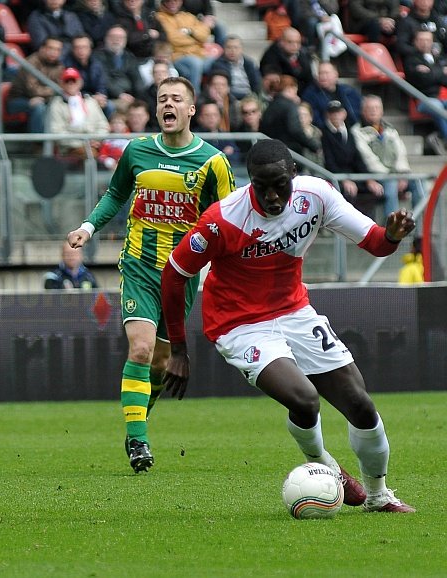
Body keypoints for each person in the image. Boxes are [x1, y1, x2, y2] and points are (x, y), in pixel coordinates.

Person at [160, 138, 416, 514]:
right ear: (249, 181)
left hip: (295, 312)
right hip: (239, 324)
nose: (271, 195)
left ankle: (379, 495)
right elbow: (174, 274)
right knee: (305, 398)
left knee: (361, 406)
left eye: (279, 184)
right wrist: (178, 350)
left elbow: (375, 242)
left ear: (294, 174)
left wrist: (392, 235)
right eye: (261, 186)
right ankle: (325, 464)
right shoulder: (223, 219)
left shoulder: (317, 196)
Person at [66, 77, 235, 473]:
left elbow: (229, 219)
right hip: (139, 266)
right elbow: (115, 194)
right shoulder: (137, 151)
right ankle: (139, 440)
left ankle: (137, 419)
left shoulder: (213, 162)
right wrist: (87, 228)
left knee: (160, 363)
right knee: (140, 350)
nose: (168, 105)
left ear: (192, 110)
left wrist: (226, 270)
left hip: (182, 275)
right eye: (162, 99)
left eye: (177, 99)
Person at [353, 94, 425, 217]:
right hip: (375, 175)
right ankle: (392, 232)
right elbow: (369, 159)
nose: (373, 111)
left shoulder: (391, 130)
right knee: (391, 185)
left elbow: (401, 153)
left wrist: (402, 174)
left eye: (376, 108)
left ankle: (419, 231)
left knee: (419, 182)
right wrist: (392, 176)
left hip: (396, 174)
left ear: (382, 111)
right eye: (370, 108)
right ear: (363, 111)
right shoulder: (357, 132)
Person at [321, 99, 385, 218]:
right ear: (327, 115)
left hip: (353, 175)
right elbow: (329, 162)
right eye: (332, 113)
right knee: (347, 192)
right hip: (336, 176)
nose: (335, 116)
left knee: (374, 190)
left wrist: (369, 179)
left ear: (344, 114)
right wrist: (344, 179)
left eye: (338, 112)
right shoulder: (324, 134)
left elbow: (357, 158)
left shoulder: (349, 132)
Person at [46, 67, 110, 159]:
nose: (71, 84)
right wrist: (83, 143)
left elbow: (103, 125)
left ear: (80, 82)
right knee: (89, 154)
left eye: (73, 81)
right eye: (67, 81)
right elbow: (57, 131)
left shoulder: (90, 101)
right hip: (69, 149)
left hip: (94, 145)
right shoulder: (56, 104)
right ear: (62, 84)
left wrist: (96, 139)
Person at [402, 29, 447, 157]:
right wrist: (440, 72)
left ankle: (438, 137)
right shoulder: (411, 59)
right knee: (437, 107)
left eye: (428, 40)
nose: (425, 43)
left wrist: (431, 72)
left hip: (441, 97)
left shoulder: (439, 58)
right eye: (421, 40)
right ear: (415, 42)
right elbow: (422, 80)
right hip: (423, 99)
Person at [7, 36, 65, 134]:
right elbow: (33, 90)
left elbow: (63, 88)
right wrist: (54, 91)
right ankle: (38, 144)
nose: (54, 52)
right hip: (19, 100)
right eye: (51, 48)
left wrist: (56, 92)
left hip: (44, 99)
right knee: (39, 106)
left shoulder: (59, 66)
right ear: (42, 49)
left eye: (57, 50)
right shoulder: (31, 62)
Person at [154, 0, 212, 94]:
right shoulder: (160, 17)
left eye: (176, 1)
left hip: (198, 54)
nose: (172, 3)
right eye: (169, 1)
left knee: (216, 61)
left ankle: (211, 95)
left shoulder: (188, 16)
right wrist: (195, 39)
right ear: (163, 2)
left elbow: (205, 34)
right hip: (178, 56)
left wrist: (189, 31)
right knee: (195, 63)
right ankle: (194, 96)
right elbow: (172, 38)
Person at [259, 75, 321, 158]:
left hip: (271, 152)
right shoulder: (290, 106)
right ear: (290, 88)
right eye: (296, 91)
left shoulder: (270, 106)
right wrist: (313, 146)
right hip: (289, 152)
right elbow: (295, 130)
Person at [92, 25, 144, 115]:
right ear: (106, 38)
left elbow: (137, 80)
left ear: (125, 40)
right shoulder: (97, 57)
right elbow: (103, 79)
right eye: (113, 37)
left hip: (129, 96)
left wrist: (138, 99)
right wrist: (119, 94)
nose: (116, 40)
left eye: (120, 37)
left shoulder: (129, 57)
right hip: (109, 97)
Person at [300, 61, 362, 130]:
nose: (323, 76)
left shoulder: (348, 91)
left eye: (326, 73)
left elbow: (358, 112)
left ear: (336, 74)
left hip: (352, 130)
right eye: (320, 73)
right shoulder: (310, 94)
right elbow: (315, 119)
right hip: (326, 133)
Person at [259, 27, 316, 93]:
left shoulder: (304, 55)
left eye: (298, 42)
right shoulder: (270, 56)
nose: (295, 46)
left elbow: (309, 79)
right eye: (290, 42)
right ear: (281, 41)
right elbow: (272, 84)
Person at [209, 35, 262, 101]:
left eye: (236, 48)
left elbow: (257, 83)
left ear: (241, 49)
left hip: (250, 97)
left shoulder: (249, 63)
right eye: (229, 47)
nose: (232, 50)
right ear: (224, 49)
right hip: (230, 98)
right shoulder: (218, 65)